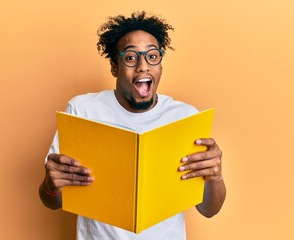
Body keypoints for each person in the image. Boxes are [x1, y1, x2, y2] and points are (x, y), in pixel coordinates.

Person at [39, 11, 226, 240]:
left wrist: (215, 178)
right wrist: (51, 184)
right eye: (130, 57)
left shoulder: (185, 118)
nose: (143, 66)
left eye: (152, 56)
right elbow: (51, 201)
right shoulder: (82, 111)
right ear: (114, 67)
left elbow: (209, 210)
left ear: (160, 66)